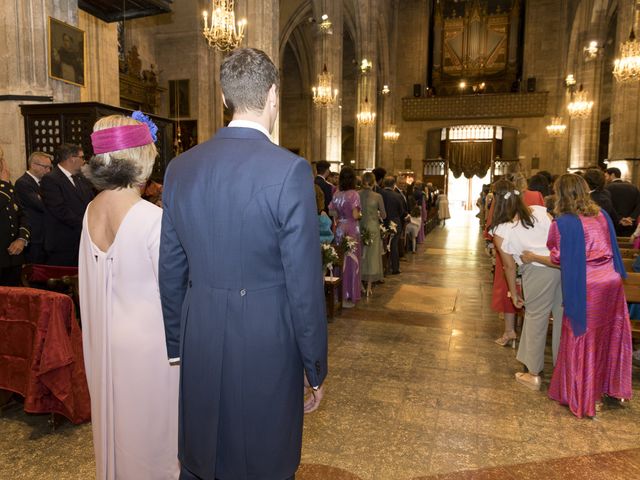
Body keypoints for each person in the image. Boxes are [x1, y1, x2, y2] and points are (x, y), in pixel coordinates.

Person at [159, 48, 328, 480]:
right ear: (273, 94)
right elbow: (303, 283)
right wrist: (315, 365)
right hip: (265, 335)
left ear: (224, 96)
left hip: (201, 330)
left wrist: (177, 344)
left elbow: (171, 267)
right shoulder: (290, 171)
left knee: (202, 452)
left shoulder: (180, 168)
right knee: (263, 452)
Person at [79, 113, 179, 479]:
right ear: (141, 157)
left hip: (104, 341)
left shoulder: (91, 209)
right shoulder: (150, 218)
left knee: (115, 426)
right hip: (148, 349)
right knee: (152, 437)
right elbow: (175, 293)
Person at [522, 174, 633, 418]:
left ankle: (583, 396)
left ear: (560, 194)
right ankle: (607, 390)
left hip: (588, 285)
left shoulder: (564, 222)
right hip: (611, 281)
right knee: (608, 333)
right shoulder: (601, 214)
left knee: (582, 337)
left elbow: (558, 257)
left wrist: (532, 256)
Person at [490, 179, 563, 391]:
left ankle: (533, 373)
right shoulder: (540, 211)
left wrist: (513, 293)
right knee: (560, 319)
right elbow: (556, 237)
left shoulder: (502, 230)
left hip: (537, 271)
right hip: (559, 267)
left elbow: (509, 267)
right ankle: (561, 368)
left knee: (535, 319)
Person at [41, 143, 94, 266]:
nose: (84, 161)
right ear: (72, 158)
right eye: (82, 157)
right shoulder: (51, 179)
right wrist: (86, 223)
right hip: (62, 244)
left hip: (82, 240)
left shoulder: (81, 179)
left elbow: (91, 202)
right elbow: (59, 209)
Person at [329, 166, 362, 307]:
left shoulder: (336, 193)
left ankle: (339, 294)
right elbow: (355, 215)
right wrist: (361, 214)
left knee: (340, 260)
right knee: (351, 261)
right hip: (352, 229)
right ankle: (350, 293)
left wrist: (340, 218)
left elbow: (332, 213)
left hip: (340, 229)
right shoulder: (354, 194)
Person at [14, 151, 53, 263]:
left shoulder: (44, 182)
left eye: (49, 167)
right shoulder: (23, 183)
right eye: (45, 167)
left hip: (46, 236)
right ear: (33, 165)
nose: (48, 171)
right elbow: (41, 205)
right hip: (34, 237)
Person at [0, 150, 30, 286]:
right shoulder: (5, 186)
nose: (3, 164)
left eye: (2, 158)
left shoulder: (5, 186)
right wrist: (5, 186)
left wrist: (21, 238)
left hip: (13, 257)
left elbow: (21, 214)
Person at [359, 172, 386, 297]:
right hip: (373, 228)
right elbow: (384, 215)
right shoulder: (378, 196)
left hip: (360, 227)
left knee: (360, 255)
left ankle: (360, 284)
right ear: (374, 182)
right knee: (372, 257)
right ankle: (369, 287)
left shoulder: (356, 194)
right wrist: (377, 214)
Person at [380, 176, 408, 275]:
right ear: (393, 185)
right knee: (393, 245)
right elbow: (401, 211)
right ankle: (395, 268)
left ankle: (382, 268)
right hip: (395, 223)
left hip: (382, 223)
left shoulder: (379, 194)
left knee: (382, 245)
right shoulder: (398, 196)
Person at [604, 167, 640, 236]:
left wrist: (620, 219)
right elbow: (638, 205)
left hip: (613, 225)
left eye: (606, 176)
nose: (605, 179)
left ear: (612, 175)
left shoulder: (607, 188)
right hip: (630, 226)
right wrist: (632, 217)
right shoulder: (633, 187)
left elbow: (608, 206)